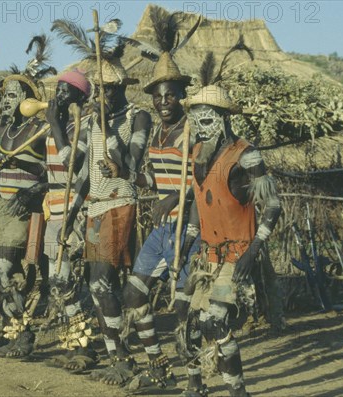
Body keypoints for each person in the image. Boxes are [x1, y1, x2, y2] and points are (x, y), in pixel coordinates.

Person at [176, 84, 282, 397]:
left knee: (214, 322)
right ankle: (195, 385)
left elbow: (273, 204)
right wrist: (186, 243)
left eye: (206, 121)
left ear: (223, 119)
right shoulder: (197, 153)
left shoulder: (246, 154)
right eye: (195, 122)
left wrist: (254, 250)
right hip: (207, 256)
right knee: (191, 322)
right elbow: (199, 200)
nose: (200, 129)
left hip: (238, 255)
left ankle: (238, 391)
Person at [60, 48, 152, 385]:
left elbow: (131, 163)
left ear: (124, 87)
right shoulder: (91, 123)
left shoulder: (137, 118)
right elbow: (83, 171)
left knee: (100, 283)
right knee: (99, 285)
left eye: (110, 90)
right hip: (94, 206)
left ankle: (123, 358)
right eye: (99, 90)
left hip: (120, 202)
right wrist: (71, 216)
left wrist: (107, 129)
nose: (104, 96)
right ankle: (118, 354)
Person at [121, 12, 200, 388]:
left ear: (183, 96)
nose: (165, 101)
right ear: (152, 100)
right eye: (158, 96)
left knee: (188, 313)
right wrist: (126, 174)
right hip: (162, 232)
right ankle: (158, 366)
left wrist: (175, 197)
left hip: (192, 228)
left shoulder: (195, 130)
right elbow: (152, 177)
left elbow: (207, 180)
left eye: (171, 95)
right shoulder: (157, 132)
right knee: (134, 295)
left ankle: (197, 381)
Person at [0, 36, 55, 357]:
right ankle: (10, 332)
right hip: (2, 206)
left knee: (1, 272)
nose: (7, 101)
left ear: (27, 99)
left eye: (14, 96)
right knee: (3, 275)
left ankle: (24, 335)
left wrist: (25, 167)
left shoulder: (39, 130)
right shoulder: (3, 131)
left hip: (25, 208)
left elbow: (48, 171)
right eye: (6, 96)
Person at [41, 70, 97, 371]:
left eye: (66, 91)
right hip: (55, 211)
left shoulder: (85, 126)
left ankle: (88, 346)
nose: (59, 96)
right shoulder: (55, 128)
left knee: (73, 279)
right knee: (58, 281)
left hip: (76, 211)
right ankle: (71, 342)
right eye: (58, 90)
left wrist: (54, 125)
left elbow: (74, 167)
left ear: (80, 97)